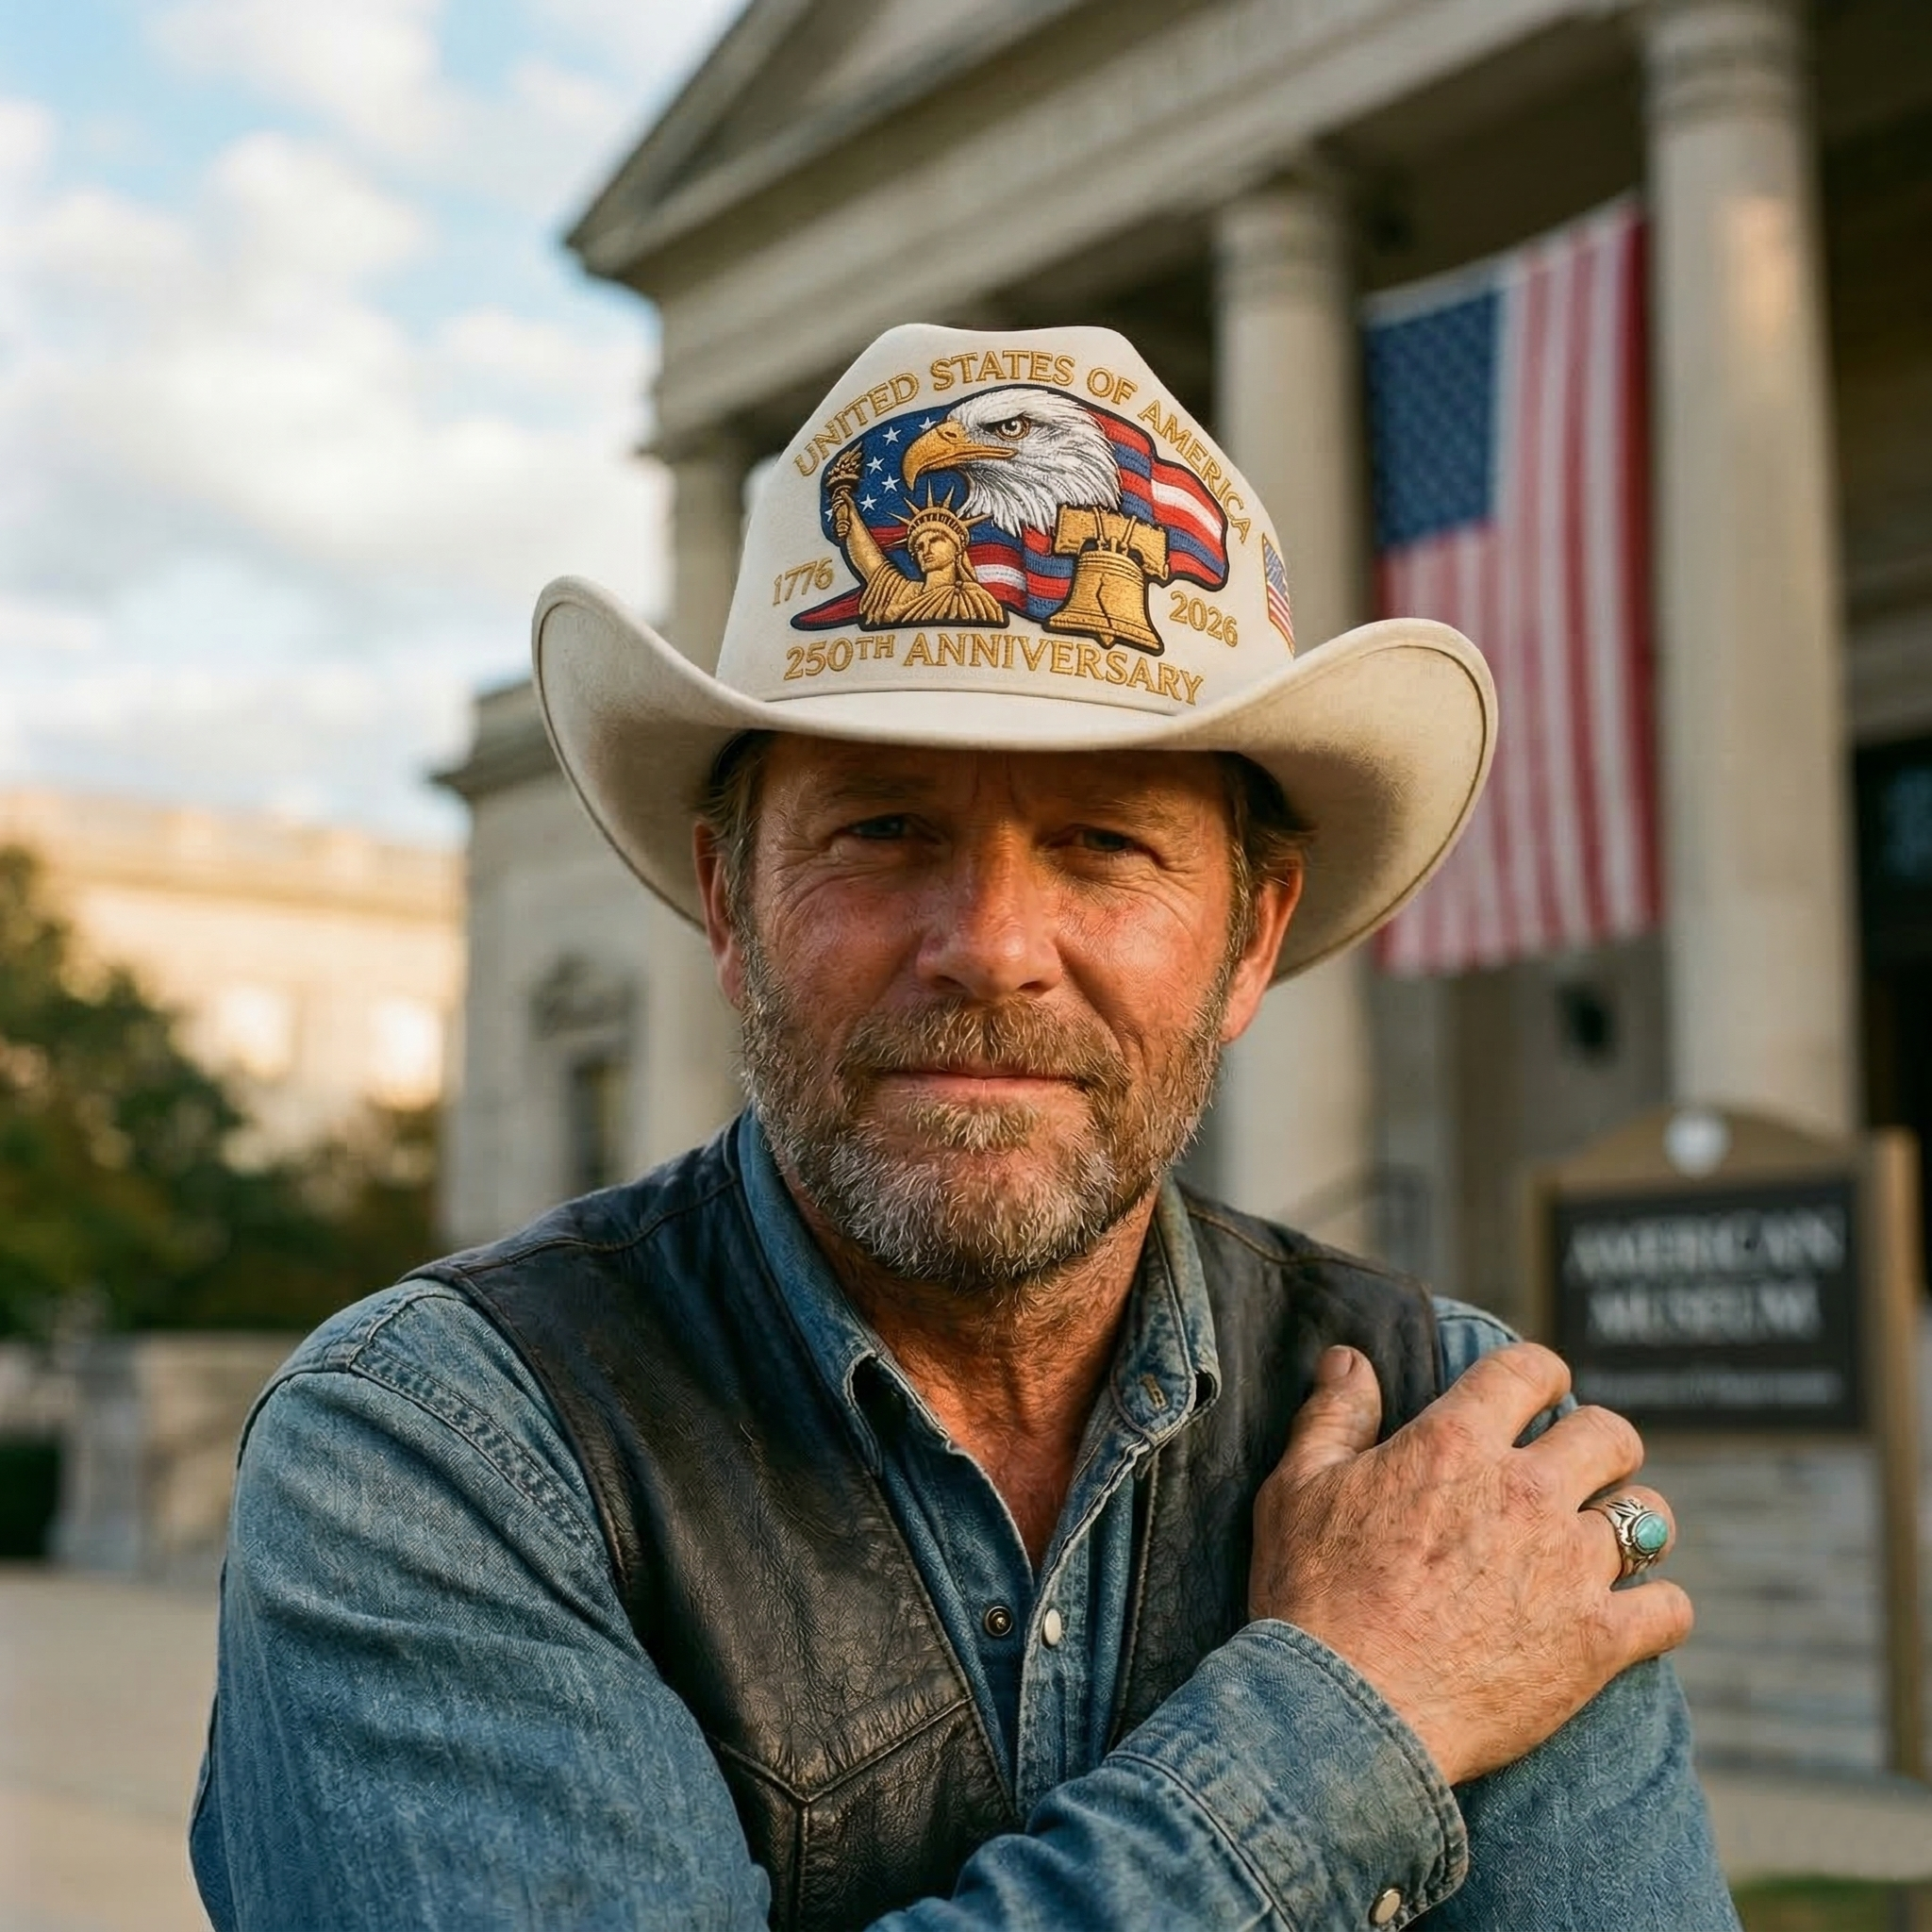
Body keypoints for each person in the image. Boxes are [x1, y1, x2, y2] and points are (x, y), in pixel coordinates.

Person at [192, 324, 1739, 1931]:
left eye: (1103, 843)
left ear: (1252, 937)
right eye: (883, 827)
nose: (991, 944)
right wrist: (1354, 1715)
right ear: (730, 904)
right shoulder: (435, 1451)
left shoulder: (1460, 1447)